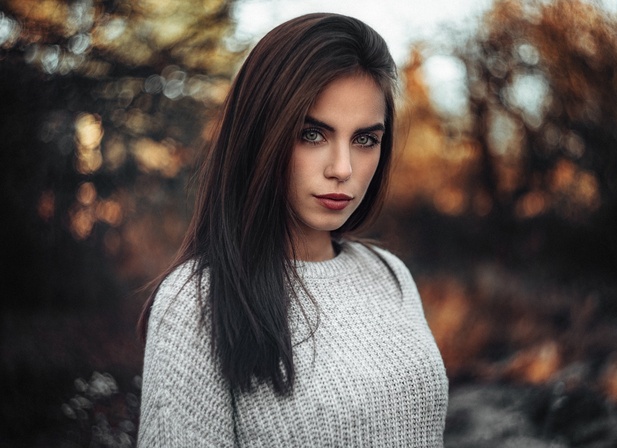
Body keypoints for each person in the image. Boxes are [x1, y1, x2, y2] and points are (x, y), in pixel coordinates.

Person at [137, 12, 448, 447]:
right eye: (312, 134)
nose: (342, 169)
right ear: (261, 133)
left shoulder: (390, 274)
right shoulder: (195, 301)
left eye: (365, 140)